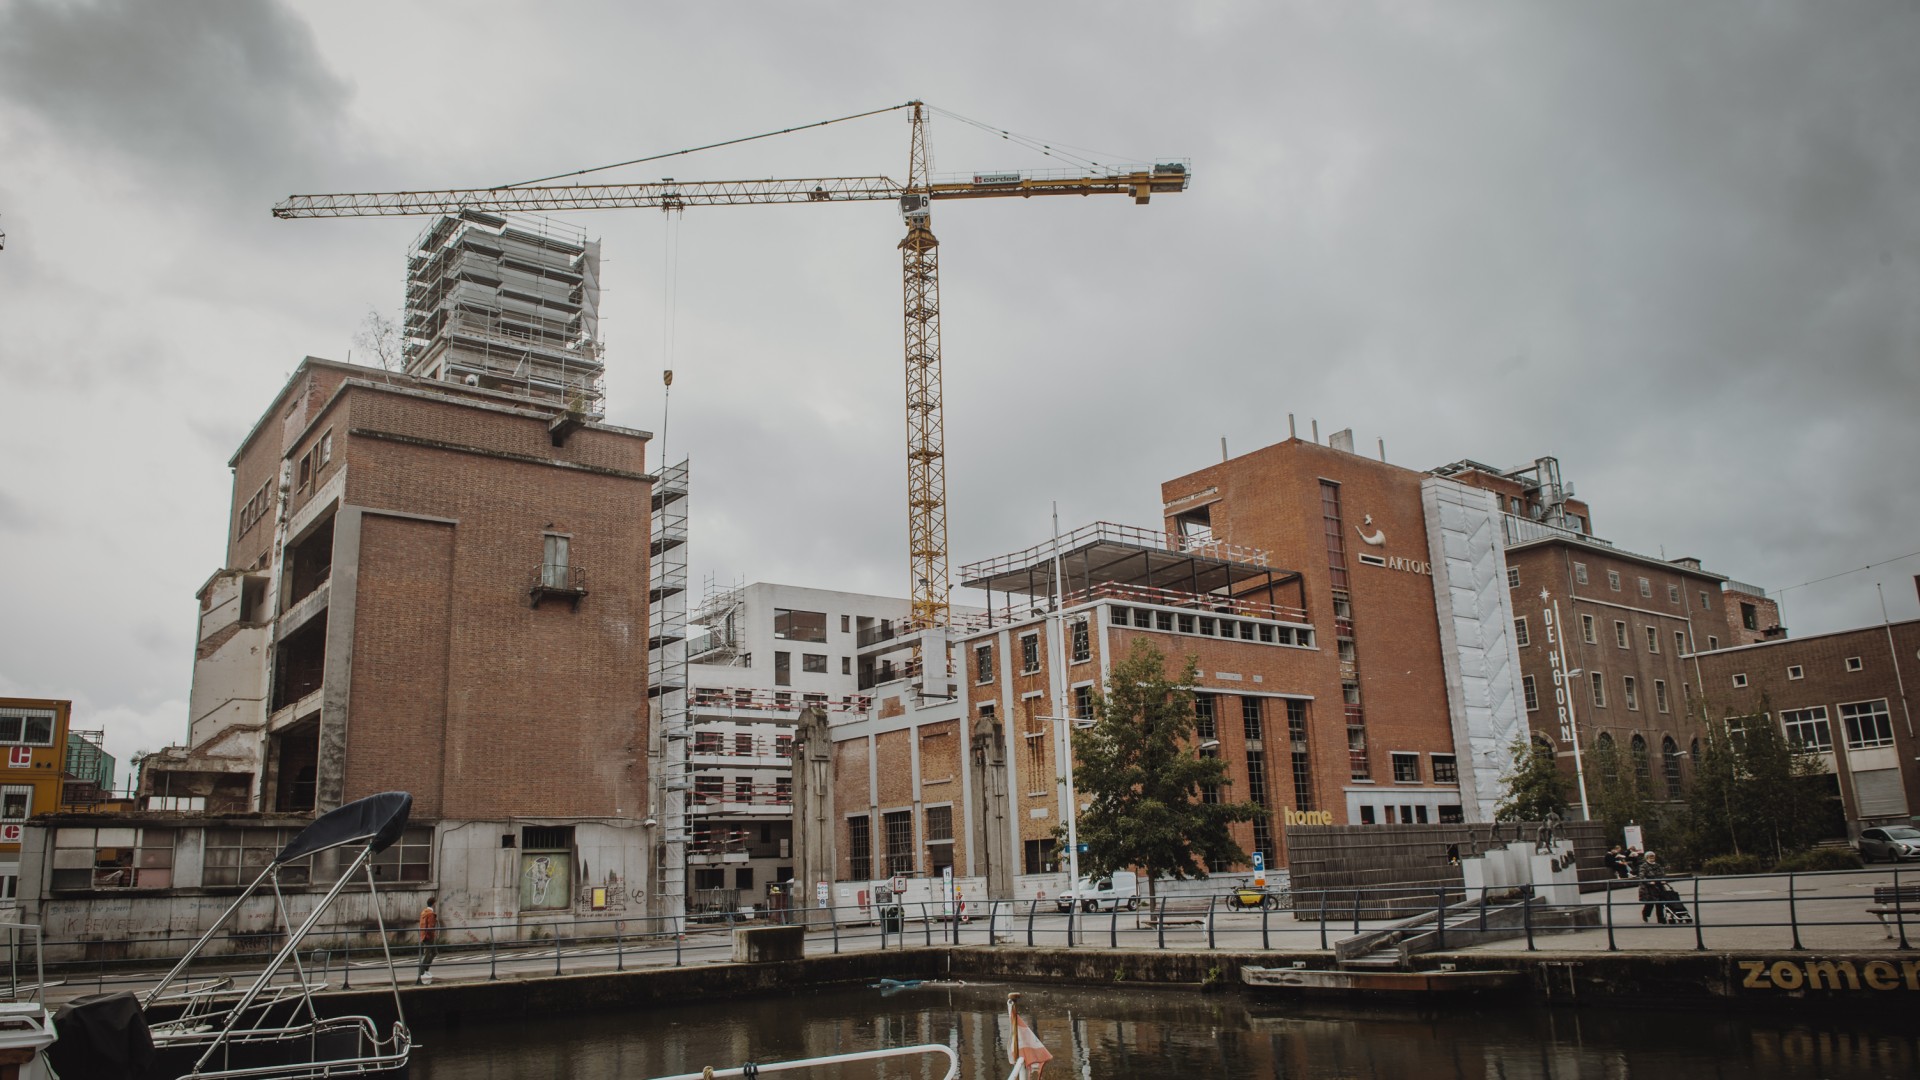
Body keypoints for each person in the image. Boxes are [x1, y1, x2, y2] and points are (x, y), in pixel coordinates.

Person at [1637, 852, 1668, 923]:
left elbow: (1662, 874)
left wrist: (1663, 880)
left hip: (1658, 885)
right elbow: (1642, 876)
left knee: (1660, 902)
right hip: (1648, 887)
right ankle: (1645, 913)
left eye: (1653, 857)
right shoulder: (1643, 866)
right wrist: (1648, 882)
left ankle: (1661, 918)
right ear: (1647, 858)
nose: (1652, 859)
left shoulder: (1657, 865)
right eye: (1650, 857)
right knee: (1650, 903)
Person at [417, 896, 438, 982]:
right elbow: (430, 926)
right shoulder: (430, 914)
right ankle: (422, 972)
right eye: (435, 903)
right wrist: (431, 936)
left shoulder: (424, 912)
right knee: (428, 954)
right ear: (433, 904)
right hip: (429, 937)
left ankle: (425, 970)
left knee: (434, 952)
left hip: (424, 935)